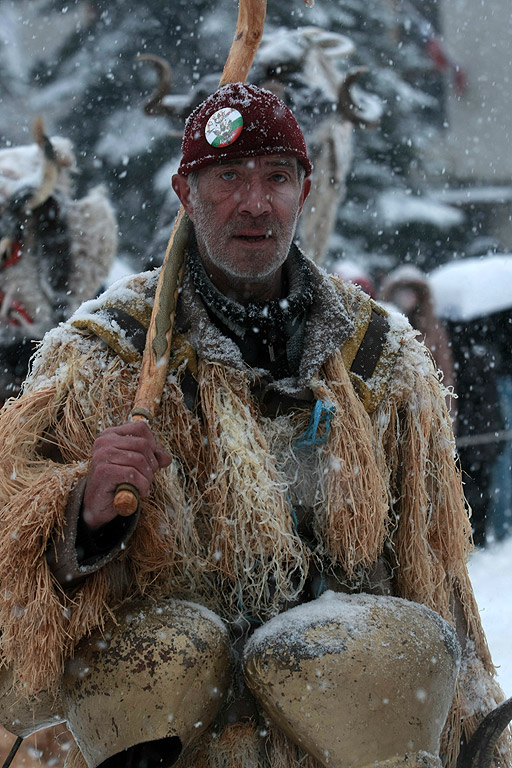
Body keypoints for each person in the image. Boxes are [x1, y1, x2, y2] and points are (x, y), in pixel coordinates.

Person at [0, 83, 509, 768]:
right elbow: (16, 578)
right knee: (167, 651)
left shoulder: (379, 357)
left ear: (305, 190)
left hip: (347, 714)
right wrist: (81, 516)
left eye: (276, 176)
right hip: (167, 727)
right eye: (228, 177)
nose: (253, 202)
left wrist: (479, 735)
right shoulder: (101, 358)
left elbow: (433, 575)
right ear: (186, 193)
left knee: (384, 642)